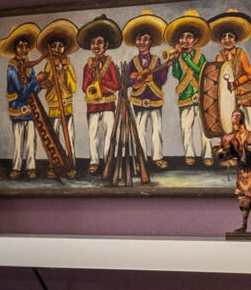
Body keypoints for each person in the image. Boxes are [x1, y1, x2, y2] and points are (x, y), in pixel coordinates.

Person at [121, 13, 170, 170]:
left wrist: (165, 68)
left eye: (145, 39)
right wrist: (137, 80)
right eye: (139, 39)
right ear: (135, 42)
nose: (142, 42)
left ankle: (158, 158)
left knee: (157, 131)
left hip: (155, 100)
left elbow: (162, 81)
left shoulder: (156, 61)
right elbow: (127, 81)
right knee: (140, 131)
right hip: (138, 101)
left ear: (151, 42)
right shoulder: (133, 62)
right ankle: (140, 159)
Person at [202, 10, 251, 143]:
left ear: (235, 39)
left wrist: (236, 83)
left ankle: (248, 150)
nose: (227, 40)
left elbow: (249, 73)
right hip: (228, 98)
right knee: (228, 124)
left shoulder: (241, 54)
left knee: (247, 123)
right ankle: (232, 151)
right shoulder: (219, 57)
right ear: (220, 41)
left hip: (244, 94)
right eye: (224, 37)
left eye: (230, 36)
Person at [78, 16, 123, 173]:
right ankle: (94, 161)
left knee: (109, 135)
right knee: (93, 135)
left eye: (99, 42)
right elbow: (85, 87)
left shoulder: (110, 64)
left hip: (108, 105)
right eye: (93, 43)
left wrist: (101, 82)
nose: (96, 46)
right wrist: (92, 76)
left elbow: (116, 86)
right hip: (93, 106)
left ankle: (108, 160)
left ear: (106, 45)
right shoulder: (87, 66)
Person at [35, 20, 78, 176]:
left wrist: (65, 67)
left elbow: (72, 88)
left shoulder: (69, 66)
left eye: (60, 46)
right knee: (54, 137)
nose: (57, 49)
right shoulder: (48, 65)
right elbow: (47, 86)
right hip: (54, 108)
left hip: (67, 107)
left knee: (69, 138)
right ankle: (54, 165)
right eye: (54, 47)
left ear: (65, 49)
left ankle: (71, 165)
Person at [167, 12, 210, 166]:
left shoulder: (200, 56)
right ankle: (189, 154)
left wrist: (185, 58)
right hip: (185, 95)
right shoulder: (178, 56)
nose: (185, 40)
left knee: (205, 128)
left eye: (189, 37)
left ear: (195, 40)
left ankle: (208, 154)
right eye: (182, 37)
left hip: (201, 95)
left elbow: (201, 73)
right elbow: (177, 74)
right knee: (186, 128)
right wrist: (176, 59)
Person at [0, 26, 41, 179]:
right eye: (20, 46)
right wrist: (36, 83)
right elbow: (23, 92)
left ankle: (31, 168)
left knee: (31, 140)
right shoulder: (12, 68)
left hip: (30, 110)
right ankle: (16, 168)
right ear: (15, 48)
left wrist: (40, 84)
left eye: (26, 46)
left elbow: (35, 89)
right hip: (17, 109)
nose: (24, 49)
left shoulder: (28, 65)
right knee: (18, 142)